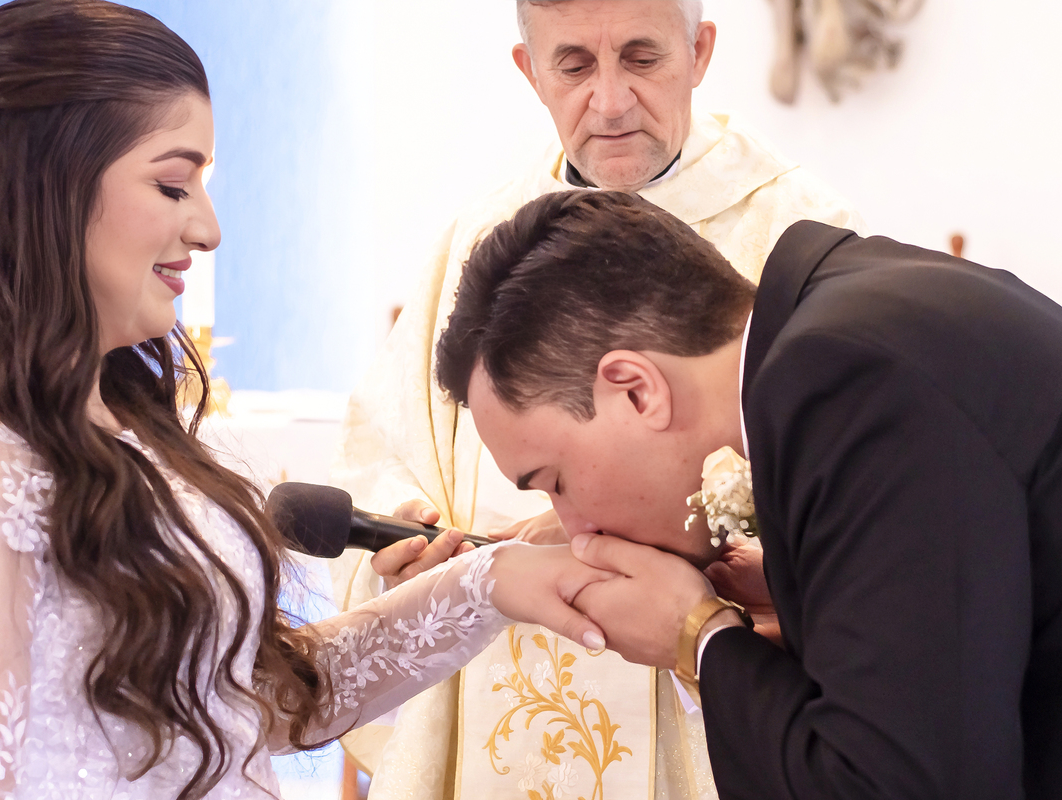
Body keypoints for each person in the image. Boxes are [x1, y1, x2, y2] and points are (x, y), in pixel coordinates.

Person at [0, 3, 619, 798]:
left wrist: (491, 584)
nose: (210, 228)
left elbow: (240, 704)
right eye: (172, 183)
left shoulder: (105, 419)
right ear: (43, 181)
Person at [329, 1, 864, 797]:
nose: (609, 100)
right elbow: (386, 448)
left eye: (642, 59)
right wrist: (401, 539)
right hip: (500, 705)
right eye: (575, 64)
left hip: (715, 708)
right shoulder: (483, 240)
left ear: (700, 52)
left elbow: (865, 507)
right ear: (530, 71)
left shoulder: (796, 230)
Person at [434, 188, 1062, 799]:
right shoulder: (838, 305)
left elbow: (903, 782)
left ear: (635, 390)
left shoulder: (845, 384)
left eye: (555, 483)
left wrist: (696, 637)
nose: (575, 531)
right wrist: (811, 591)